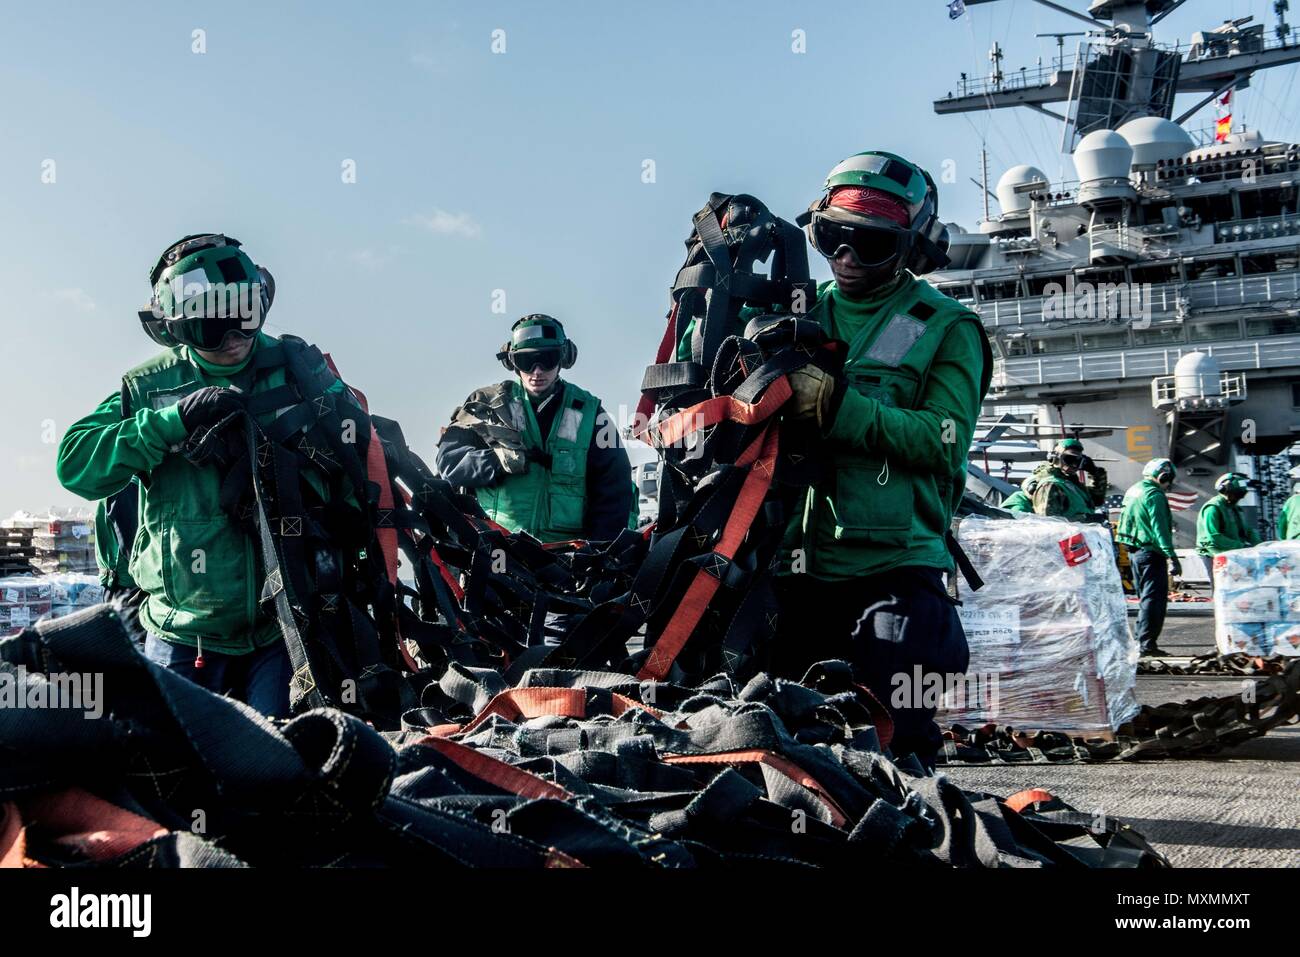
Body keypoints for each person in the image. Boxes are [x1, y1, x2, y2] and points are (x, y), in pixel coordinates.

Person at [758, 150, 992, 768]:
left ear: (912, 248)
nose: (846, 258)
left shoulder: (946, 327)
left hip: (891, 571)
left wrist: (841, 410)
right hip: (791, 569)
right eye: (833, 238)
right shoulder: (794, 313)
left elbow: (944, 437)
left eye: (870, 245)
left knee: (901, 749)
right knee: (780, 748)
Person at [57, 233, 350, 718]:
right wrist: (172, 422)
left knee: (279, 768)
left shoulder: (297, 371)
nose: (233, 336)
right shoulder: (150, 387)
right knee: (180, 771)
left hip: (285, 630)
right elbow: (77, 466)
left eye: (245, 317)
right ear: (177, 327)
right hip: (181, 629)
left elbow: (356, 464)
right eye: (210, 328)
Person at [436, 314, 636, 544]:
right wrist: (496, 461)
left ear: (564, 358)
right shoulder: (485, 405)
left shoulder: (590, 413)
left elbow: (614, 487)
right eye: (526, 362)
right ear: (512, 363)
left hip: (568, 557)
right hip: (499, 550)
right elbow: (449, 463)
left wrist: (597, 552)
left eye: (547, 359)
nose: (537, 371)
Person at [1116, 458, 1180, 657]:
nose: (1169, 485)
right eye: (1169, 480)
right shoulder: (1155, 495)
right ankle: (1147, 644)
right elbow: (1159, 528)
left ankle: (1142, 641)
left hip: (1135, 551)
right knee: (1154, 600)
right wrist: (1172, 556)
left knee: (1146, 598)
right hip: (1151, 552)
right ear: (1164, 476)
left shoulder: (1134, 490)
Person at [1031, 437, 1108, 520]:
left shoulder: (1071, 485)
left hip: (1081, 531)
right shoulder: (1051, 484)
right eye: (1069, 459)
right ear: (1055, 458)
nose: (1074, 465)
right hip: (1070, 532)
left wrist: (1095, 473)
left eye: (1078, 461)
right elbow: (1050, 522)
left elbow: (1097, 500)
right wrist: (1086, 518)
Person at [1196, 472, 1260, 556]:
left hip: (1232, 551)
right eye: (1235, 494)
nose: (1237, 498)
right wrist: (1242, 546)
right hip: (1213, 553)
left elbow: (1246, 531)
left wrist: (1259, 545)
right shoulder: (1213, 508)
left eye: (1239, 495)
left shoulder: (1235, 509)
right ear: (1224, 490)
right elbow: (1214, 536)